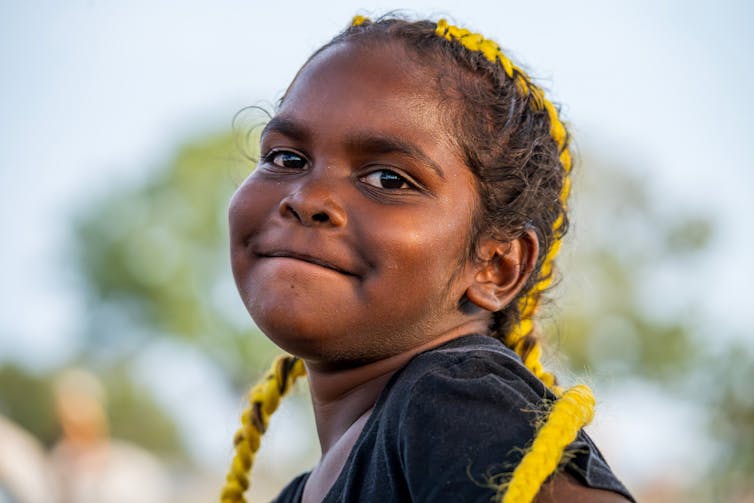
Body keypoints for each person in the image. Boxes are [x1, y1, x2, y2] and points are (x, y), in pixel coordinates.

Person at [221, 14, 634, 503]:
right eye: (286, 158)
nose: (307, 198)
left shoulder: (454, 399)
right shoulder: (307, 488)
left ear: (496, 266)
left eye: (388, 180)